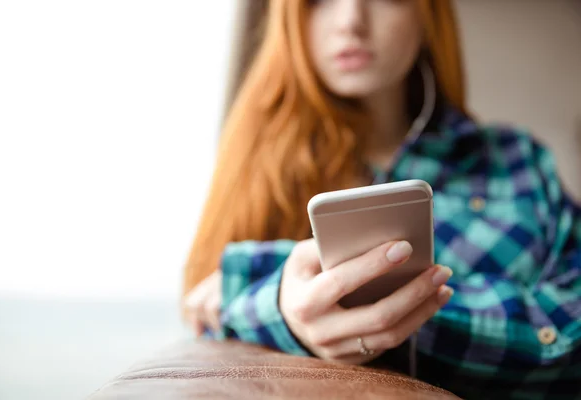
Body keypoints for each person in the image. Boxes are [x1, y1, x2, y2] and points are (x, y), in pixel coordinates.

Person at [182, 0, 581, 399]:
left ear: (428, 17)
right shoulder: (259, 166)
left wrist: (265, 279)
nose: (351, 20)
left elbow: (573, 323)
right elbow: (204, 309)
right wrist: (283, 312)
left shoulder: (516, 159)